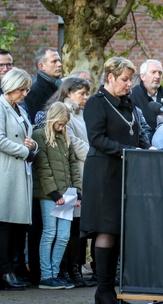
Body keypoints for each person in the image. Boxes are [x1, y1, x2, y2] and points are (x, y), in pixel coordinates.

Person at [80, 57, 153, 304]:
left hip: (127, 172)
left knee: (120, 230)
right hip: (103, 173)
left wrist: (148, 148)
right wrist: (126, 151)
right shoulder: (95, 103)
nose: (128, 84)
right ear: (110, 77)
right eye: (124, 79)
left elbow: (137, 134)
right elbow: (97, 139)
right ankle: (103, 290)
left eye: (130, 79)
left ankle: (113, 289)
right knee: (107, 228)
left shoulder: (128, 104)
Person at [41, 78, 96, 288]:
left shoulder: (79, 114)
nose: (85, 98)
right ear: (69, 92)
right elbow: (74, 145)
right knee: (57, 231)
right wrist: (96, 152)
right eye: (81, 93)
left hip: (78, 176)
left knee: (73, 229)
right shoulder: (64, 114)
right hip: (63, 183)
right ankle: (59, 271)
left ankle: (72, 270)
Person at [32, 102, 81, 290]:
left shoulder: (64, 138)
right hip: (49, 195)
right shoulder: (40, 135)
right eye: (59, 124)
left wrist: (77, 191)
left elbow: (73, 165)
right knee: (50, 233)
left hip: (67, 194)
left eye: (64, 124)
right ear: (53, 119)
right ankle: (46, 275)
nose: (61, 127)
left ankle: (55, 273)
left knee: (63, 236)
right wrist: (54, 193)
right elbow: (43, 168)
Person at [0, 68, 36, 290]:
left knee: (15, 226)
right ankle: (5, 271)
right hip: (6, 172)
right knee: (4, 224)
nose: (25, 94)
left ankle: (12, 269)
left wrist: (33, 146)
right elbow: (0, 140)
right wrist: (26, 152)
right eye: (22, 89)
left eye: (26, 89)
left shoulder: (19, 110)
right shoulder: (1, 107)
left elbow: (28, 137)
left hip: (20, 172)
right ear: (11, 87)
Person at [129, 59, 163, 136]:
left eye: (160, 73)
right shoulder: (132, 96)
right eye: (153, 72)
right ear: (143, 76)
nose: (157, 76)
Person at [24, 47, 63, 123]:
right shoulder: (34, 92)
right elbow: (37, 124)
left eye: (59, 61)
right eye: (54, 61)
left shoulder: (61, 86)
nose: (59, 64)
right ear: (41, 66)